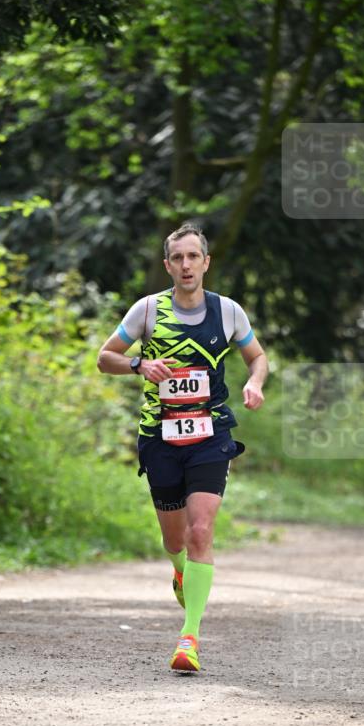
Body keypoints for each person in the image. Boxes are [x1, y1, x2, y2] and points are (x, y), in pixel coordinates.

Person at [97, 221, 267, 672]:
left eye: (194, 256)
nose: (186, 264)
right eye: (178, 258)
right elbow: (104, 357)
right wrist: (139, 363)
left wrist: (255, 382)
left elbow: (258, 356)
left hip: (212, 437)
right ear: (168, 265)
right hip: (161, 437)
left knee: (200, 531)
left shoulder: (228, 312)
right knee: (174, 539)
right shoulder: (148, 310)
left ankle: (189, 638)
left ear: (206, 262)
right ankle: (179, 570)